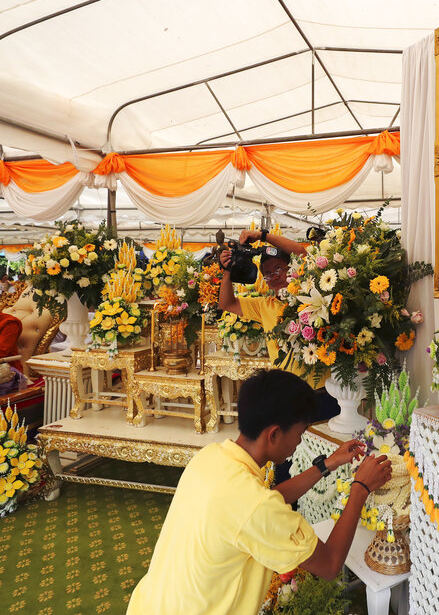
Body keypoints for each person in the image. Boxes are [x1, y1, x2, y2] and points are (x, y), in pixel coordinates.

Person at [127, 369, 392, 615]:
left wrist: (328, 464)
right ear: (274, 434)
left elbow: (267, 500)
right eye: (300, 433)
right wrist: (361, 487)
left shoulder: (211, 457)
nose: (300, 441)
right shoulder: (255, 507)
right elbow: (330, 565)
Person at [218, 229, 326, 389]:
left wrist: (262, 236)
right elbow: (227, 304)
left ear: (292, 268)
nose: (274, 277)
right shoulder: (264, 305)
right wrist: (227, 270)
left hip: (321, 387)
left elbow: (301, 252)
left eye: (278, 269)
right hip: (286, 389)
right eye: (267, 274)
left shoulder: (310, 292)